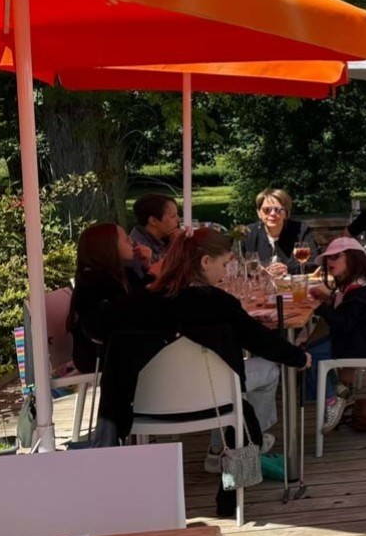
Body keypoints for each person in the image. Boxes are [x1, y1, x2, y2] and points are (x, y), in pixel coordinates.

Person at [97, 229, 310, 516]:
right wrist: (300, 358)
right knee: (258, 398)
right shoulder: (220, 303)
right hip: (214, 404)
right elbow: (262, 341)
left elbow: (104, 336)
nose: (224, 274)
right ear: (206, 262)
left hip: (143, 407)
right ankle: (229, 497)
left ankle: (141, 501)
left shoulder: (135, 303)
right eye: (223, 265)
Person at [305, 237, 366, 432]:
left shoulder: (360, 291)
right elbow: (346, 311)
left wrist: (321, 308)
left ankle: (329, 400)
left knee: (309, 357)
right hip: (357, 337)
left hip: (358, 342)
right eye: (328, 259)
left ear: (353, 259)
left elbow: (344, 322)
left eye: (335, 257)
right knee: (310, 349)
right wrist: (329, 298)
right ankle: (337, 391)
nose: (329, 262)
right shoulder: (356, 285)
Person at [68, 223, 149, 374]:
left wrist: (147, 266)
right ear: (108, 247)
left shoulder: (123, 273)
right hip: (99, 354)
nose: (132, 242)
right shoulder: (93, 282)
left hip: (119, 347)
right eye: (126, 240)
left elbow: (144, 297)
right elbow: (103, 326)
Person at [241, 188, 320, 276]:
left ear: (286, 213)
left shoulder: (301, 231)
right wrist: (260, 270)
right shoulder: (248, 233)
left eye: (278, 210)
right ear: (259, 213)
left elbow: (315, 262)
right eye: (267, 210)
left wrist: (288, 269)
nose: (272, 214)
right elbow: (238, 264)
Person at [129, 193, 180, 272]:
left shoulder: (162, 237)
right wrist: (175, 246)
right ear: (153, 221)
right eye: (173, 216)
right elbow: (165, 271)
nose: (178, 220)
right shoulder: (139, 248)